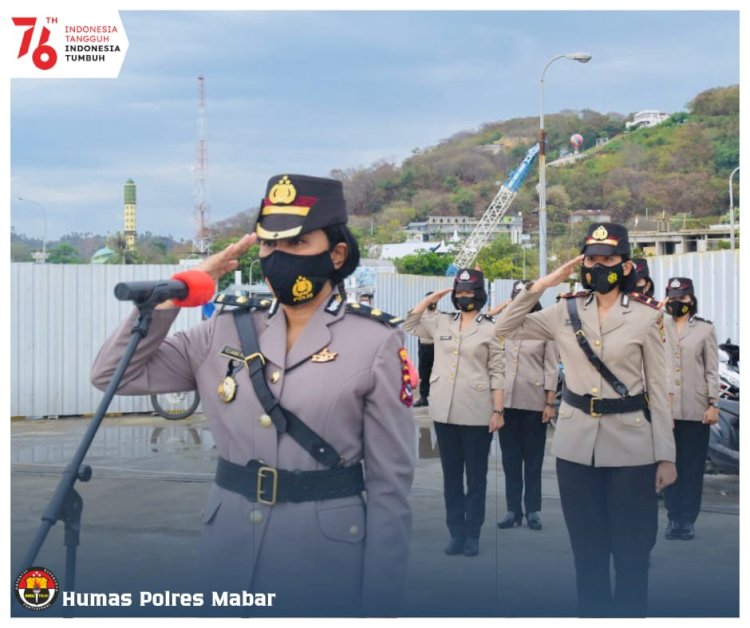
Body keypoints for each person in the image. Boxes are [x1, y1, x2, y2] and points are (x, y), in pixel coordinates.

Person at [90, 174, 415, 616]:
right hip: (228, 546)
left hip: (325, 553)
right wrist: (174, 295)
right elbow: (113, 375)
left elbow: (389, 485)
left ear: (336, 253)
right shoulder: (224, 328)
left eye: (297, 244)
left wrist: (381, 602)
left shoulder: (375, 341)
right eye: (269, 245)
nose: (278, 258)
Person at [494, 223, 676, 617]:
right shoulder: (563, 311)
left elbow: (659, 392)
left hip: (633, 447)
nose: (599, 267)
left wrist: (667, 455)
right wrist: (543, 283)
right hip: (576, 449)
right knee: (587, 551)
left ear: (625, 266)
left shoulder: (648, 318)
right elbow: (502, 329)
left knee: (632, 552)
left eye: (608, 259)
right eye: (592, 259)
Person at [403, 269, 503, 557]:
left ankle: (473, 534)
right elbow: (410, 323)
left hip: (477, 411)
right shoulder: (441, 322)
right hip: (444, 410)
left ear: (480, 293)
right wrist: (431, 300)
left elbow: (498, 371)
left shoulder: (491, 328)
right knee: (451, 477)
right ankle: (455, 532)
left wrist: (498, 409)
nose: (464, 297)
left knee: (476, 477)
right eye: (460, 291)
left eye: (470, 291)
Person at [488, 280, 558, 531]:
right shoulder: (502, 329)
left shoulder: (544, 329)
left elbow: (551, 368)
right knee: (510, 459)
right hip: (506, 402)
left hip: (534, 402)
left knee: (533, 459)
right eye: (517, 298)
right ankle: (512, 510)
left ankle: (533, 511)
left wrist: (549, 403)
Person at [662, 277, 720, 541]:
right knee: (668, 465)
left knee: (692, 468)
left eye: (682, 298)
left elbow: (711, 370)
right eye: (673, 299)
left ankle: (687, 520)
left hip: (696, 409)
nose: (678, 303)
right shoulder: (657, 326)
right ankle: (673, 518)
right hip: (666, 411)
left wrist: (713, 404)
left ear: (691, 299)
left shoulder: (705, 330)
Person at [413, 291, 437, 407]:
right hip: (423, 346)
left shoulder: (440, 315)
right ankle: (423, 397)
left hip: (436, 347)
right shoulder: (420, 314)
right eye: (429, 299)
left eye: (434, 299)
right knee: (424, 373)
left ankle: (439, 398)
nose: (432, 302)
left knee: (438, 374)